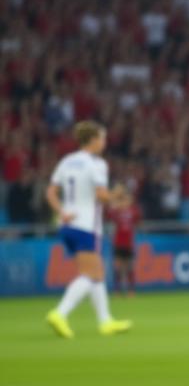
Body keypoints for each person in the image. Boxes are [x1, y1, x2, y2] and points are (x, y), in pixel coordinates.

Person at [44, 121, 132, 338]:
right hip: (86, 225)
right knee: (91, 274)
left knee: (97, 273)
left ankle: (105, 321)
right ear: (92, 140)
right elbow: (101, 196)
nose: (104, 142)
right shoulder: (97, 164)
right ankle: (59, 313)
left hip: (67, 224)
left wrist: (61, 211)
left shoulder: (67, 161)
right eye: (102, 138)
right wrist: (116, 196)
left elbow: (51, 192)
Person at [107, 184, 140, 296]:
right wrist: (115, 199)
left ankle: (131, 290)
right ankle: (117, 290)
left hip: (129, 243)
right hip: (118, 242)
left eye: (128, 199)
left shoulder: (133, 211)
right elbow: (109, 213)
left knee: (130, 267)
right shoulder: (116, 212)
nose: (126, 201)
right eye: (124, 199)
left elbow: (138, 219)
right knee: (118, 267)